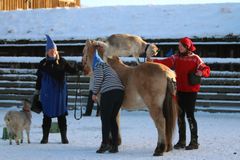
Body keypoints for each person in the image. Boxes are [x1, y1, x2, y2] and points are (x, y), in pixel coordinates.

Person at [147, 37, 210, 150]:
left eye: (181, 45)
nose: (179, 47)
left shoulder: (195, 58)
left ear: (187, 47)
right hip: (178, 91)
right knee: (180, 116)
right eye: (179, 45)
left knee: (190, 116)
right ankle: (182, 141)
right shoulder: (175, 58)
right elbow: (164, 62)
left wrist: (202, 72)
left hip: (191, 92)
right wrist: (152, 61)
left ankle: (194, 141)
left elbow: (206, 69)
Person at [35, 35, 82, 144]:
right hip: (47, 94)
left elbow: (72, 71)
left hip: (60, 93)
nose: (52, 52)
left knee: (61, 115)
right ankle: (45, 137)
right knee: (46, 115)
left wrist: (79, 68)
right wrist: (36, 92)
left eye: (54, 50)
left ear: (56, 51)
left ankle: (64, 137)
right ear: (46, 52)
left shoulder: (62, 62)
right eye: (50, 50)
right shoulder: (43, 63)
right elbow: (39, 79)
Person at [91, 47, 124, 153]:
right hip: (120, 92)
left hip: (109, 93)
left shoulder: (98, 65)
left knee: (105, 119)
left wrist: (94, 93)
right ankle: (114, 146)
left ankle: (105, 144)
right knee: (112, 119)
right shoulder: (108, 67)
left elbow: (99, 78)